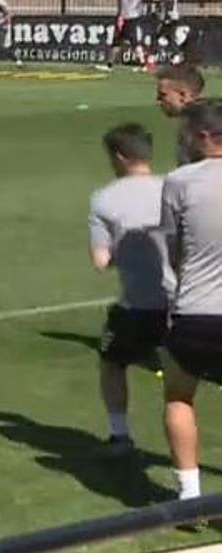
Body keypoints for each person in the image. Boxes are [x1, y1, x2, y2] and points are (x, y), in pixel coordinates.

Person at [88, 124, 173, 454]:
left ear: (120, 157)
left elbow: (101, 261)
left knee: (111, 361)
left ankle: (119, 434)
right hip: (185, 302)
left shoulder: (103, 198)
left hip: (138, 306)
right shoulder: (175, 187)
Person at [159, 100, 222, 502]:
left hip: (195, 311)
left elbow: (172, 249)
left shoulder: (179, 181)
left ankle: (189, 496)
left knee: (180, 395)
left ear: (203, 136)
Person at [156, 63, 205, 164]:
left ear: (183, 95)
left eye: (163, 95)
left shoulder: (205, 127)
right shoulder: (190, 123)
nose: (158, 100)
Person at [103, 0, 146, 72]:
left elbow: (122, 5)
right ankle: (142, 64)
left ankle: (110, 65)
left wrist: (120, 17)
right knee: (132, 42)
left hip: (125, 18)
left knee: (118, 41)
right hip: (134, 16)